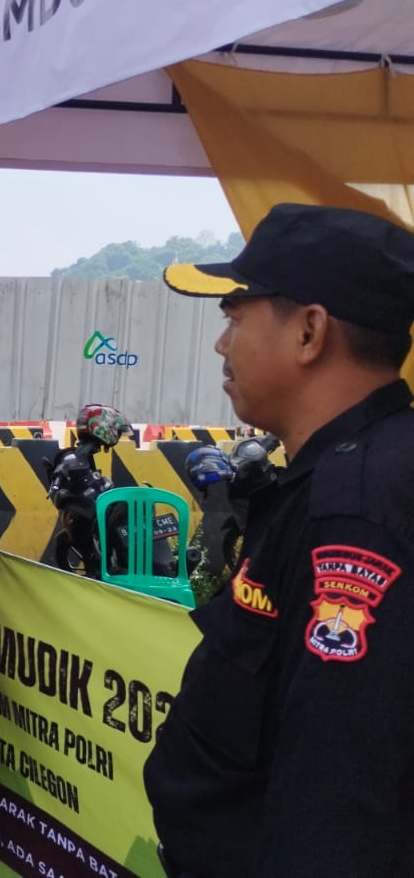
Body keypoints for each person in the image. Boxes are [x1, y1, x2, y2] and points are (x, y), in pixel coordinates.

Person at [146, 202, 414, 877]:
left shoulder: (353, 513)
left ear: (309, 332)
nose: (222, 345)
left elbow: (337, 801)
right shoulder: (346, 474)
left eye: (236, 319)